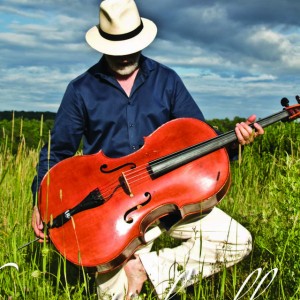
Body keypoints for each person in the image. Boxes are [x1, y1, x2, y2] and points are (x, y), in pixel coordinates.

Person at [31, 0, 264, 299]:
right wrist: (41, 196)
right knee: (116, 297)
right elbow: (56, 151)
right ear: (103, 44)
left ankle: (148, 267)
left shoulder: (167, 81)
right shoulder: (81, 89)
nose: (125, 54)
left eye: (130, 45)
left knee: (237, 242)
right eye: (117, 47)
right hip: (110, 213)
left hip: (165, 199)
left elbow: (199, 142)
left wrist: (234, 142)